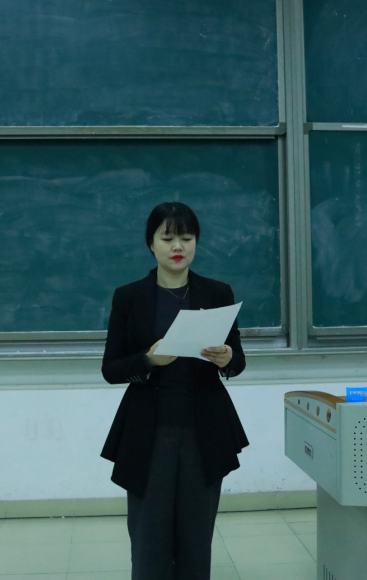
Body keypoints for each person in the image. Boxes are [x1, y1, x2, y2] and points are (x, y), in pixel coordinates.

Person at [100, 202, 249, 580]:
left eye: (186, 237)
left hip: (204, 428)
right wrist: (149, 360)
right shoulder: (129, 296)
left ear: (197, 241)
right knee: (149, 537)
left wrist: (227, 358)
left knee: (196, 537)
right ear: (150, 243)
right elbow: (111, 369)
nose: (177, 246)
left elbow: (237, 361)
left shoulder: (216, 292)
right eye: (167, 238)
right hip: (148, 431)